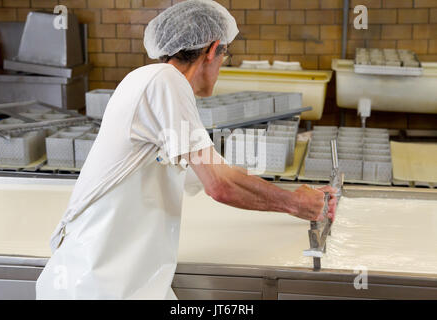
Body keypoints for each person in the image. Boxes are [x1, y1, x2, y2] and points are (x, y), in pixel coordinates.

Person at [36, 0, 336, 300]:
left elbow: (224, 174)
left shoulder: (153, 83)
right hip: (92, 285)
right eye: (225, 56)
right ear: (212, 49)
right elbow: (220, 185)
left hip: (118, 282)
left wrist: (303, 193)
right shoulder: (165, 81)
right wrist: (293, 204)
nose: (221, 66)